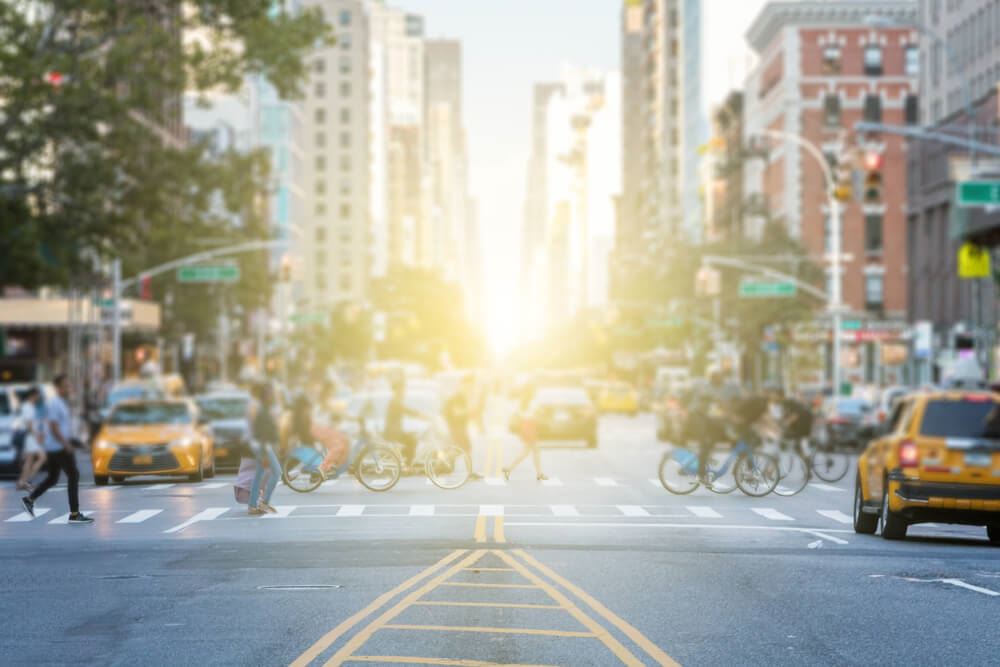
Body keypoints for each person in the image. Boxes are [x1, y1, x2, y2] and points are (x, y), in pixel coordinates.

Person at [21, 374, 92, 524]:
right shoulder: (55, 403)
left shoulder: (61, 402)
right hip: (58, 446)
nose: (69, 388)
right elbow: (53, 426)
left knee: (53, 478)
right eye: (66, 385)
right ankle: (74, 513)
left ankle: (29, 499)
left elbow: (63, 427)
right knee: (73, 474)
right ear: (59, 388)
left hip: (55, 445)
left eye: (69, 385)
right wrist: (65, 444)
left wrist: (76, 442)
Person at [247, 382, 282, 516]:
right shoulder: (262, 410)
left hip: (265, 446)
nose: (272, 395)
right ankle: (264, 502)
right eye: (269, 393)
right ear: (264, 395)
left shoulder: (266, 409)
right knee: (277, 472)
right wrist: (264, 454)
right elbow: (260, 433)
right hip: (263, 446)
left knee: (259, 474)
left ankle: (252, 505)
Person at [443, 375, 482, 480]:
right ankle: (442, 461)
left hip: (460, 426)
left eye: (472, 386)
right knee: (462, 449)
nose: (471, 388)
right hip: (456, 426)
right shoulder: (458, 397)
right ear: (463, 385)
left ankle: (469, 473)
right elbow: (457, 413)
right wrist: (470, 410)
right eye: (469, 386)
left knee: (466, 449)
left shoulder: (462, 396)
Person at [502, 393, 548, 482]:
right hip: (530, 427)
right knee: (530, 452)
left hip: (525, 427)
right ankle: (509, 469)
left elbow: (521, 415)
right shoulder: (532, 403)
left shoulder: (523, 404)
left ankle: (510, 469)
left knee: (530, 452)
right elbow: (536, 415)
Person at [15, 387, 46, 492]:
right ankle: (25, 480)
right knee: (42, 457)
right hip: (31, 437)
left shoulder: (32, 406)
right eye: (37, 395)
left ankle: (22, 482)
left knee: (29, 460)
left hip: (33, 436)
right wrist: (37, 435)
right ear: (32, 395)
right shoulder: (27, 406)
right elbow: (29, 424)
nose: (38, 397)